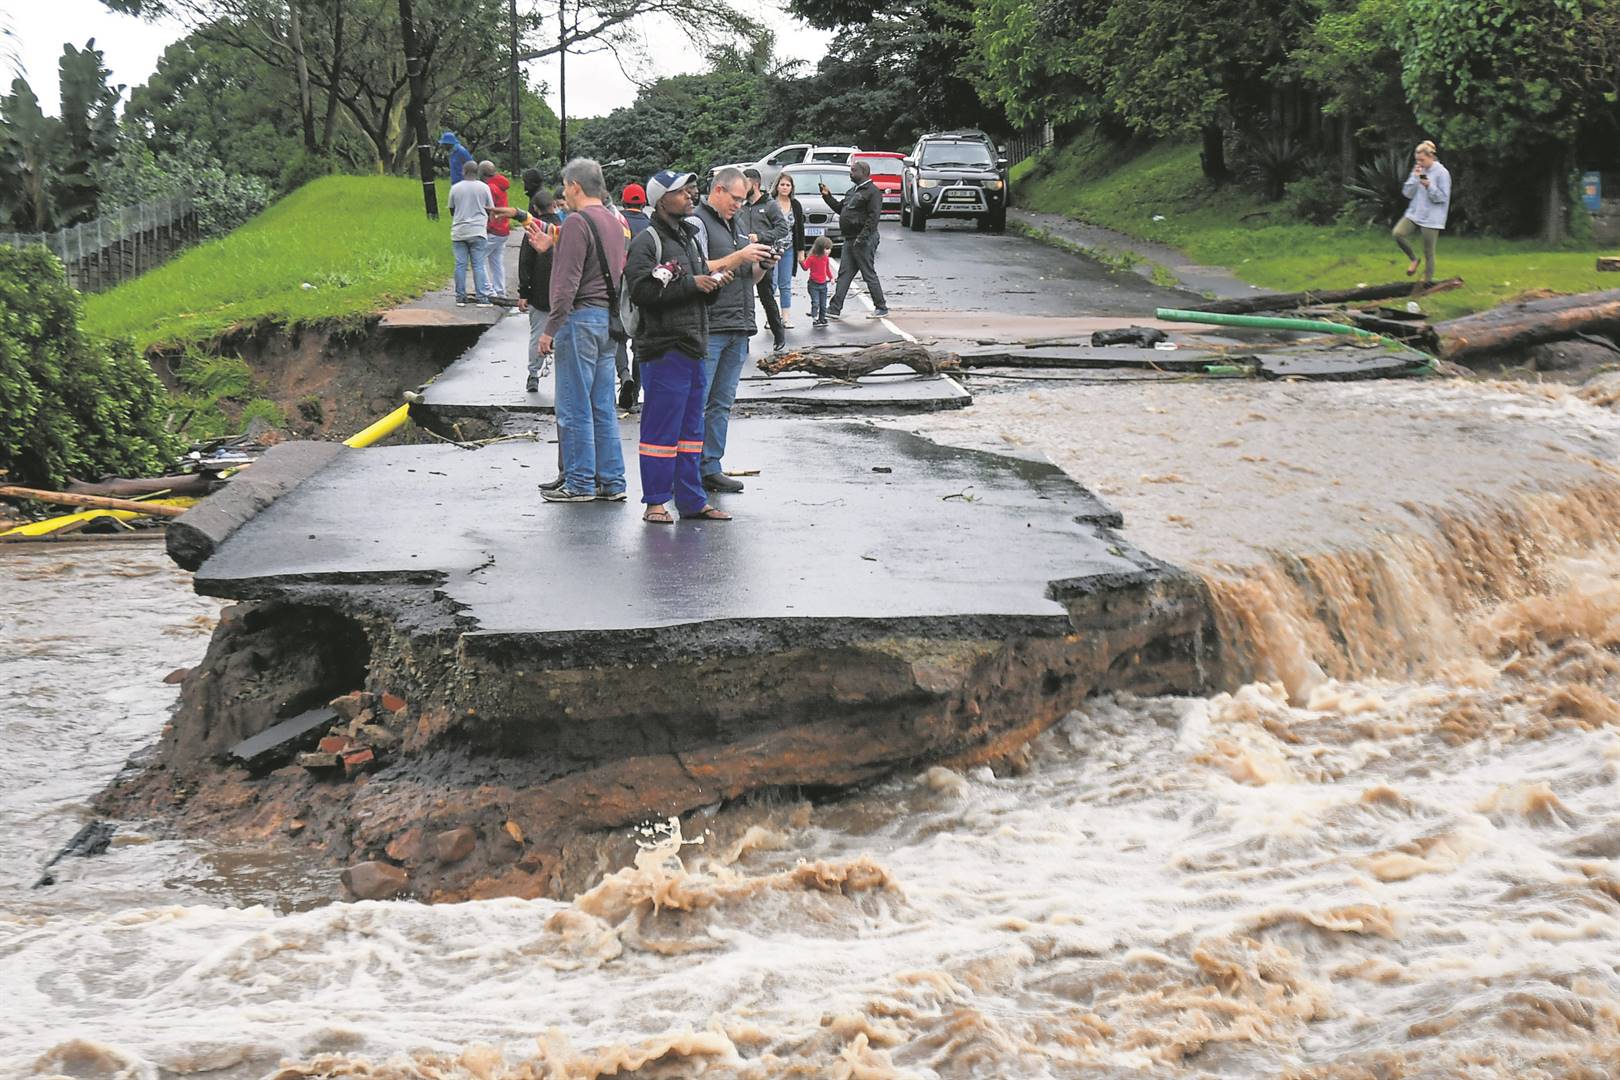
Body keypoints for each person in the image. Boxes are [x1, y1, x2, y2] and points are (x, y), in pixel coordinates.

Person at [625, 169, 759, 524]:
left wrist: (710, 285)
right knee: (661, 430)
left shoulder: (690, 238)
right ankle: (655, 501)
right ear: (660, 199)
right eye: (682, 192)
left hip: (694, 345)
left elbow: (692, 290)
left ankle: (692, 501)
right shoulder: (647, 241)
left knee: (690, 431)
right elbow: (642, 291)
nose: (690, 196)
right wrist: (692, 285)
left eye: (691, 190)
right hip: (664, 348)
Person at [537, 158, 629, 503]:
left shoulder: (577, 222)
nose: (563, 193)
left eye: (565, 186)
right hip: (609, 320)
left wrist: (550, 328)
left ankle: (579, 482)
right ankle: (612, 481)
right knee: (602, 404)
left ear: (575, 185)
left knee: (574, 404)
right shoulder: (613, 220)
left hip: (580, 320)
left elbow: (566, 284)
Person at [692, 167, 773, 494]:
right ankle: (688, 467)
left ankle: (711, 466)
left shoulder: (735, 224)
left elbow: (747, 277)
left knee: (722, 403)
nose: (740, 204)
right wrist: (740, 255)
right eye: (736, 198)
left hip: (739, 323)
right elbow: (696, 268)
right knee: (699, 401)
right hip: (711, 325)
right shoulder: (698, 222)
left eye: (744, 199)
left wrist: (762, 266)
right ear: (718, 190)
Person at [820, 160, 888, 319]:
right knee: (844, 273)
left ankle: (881, 307)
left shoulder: (873, 192)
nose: (850, 173)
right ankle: (834, 309)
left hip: (864, 239)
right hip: (850, 238)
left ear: (863, 172)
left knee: (867, 273)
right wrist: (827, 196)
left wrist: (862, 238)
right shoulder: (852, 191)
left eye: (853, 170)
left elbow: (873, 217)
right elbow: (840, 208)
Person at [739, 167, 789, 352]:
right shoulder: (741, 206)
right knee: (743, 298)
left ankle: (779, 335)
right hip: (743, 257)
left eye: (745, 184)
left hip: (763, 257)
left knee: (767, 296)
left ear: (755, 184)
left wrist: (760, 237)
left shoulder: (769, 205)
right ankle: (743, 340)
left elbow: (782, 229)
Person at [518, 188, 562, 393]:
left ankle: (533, 375)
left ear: (534, 208)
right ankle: (565, 378)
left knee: (538, 335)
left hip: (540, 293)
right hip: (564, 295)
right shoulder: (565, 227)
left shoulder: (533, 229)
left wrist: (523, 293)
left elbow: (525, 263)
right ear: (555, 204)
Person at [1394, 140, 1451, 282]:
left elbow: (1442, 198)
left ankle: (1427, 283)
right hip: (1415, 212)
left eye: (1422, 160)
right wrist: (1414, 177)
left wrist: (1429, 186)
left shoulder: (1442, 173)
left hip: (1432, 216)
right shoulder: (1419, 170)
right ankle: (1414, 259)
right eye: (1417, 160)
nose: (1419, 163)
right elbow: (1407, 193)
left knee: (1429, 252)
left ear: (1431, 157)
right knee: (1398, 233)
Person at [448, 160, 493, 306]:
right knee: (478, 265)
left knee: (460, 264)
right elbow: (490, 208)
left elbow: (451, 209)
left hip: (459, 231)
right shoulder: (484, 187)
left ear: (464, 171)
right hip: (478, 230)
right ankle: (482, 298)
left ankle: (460, 297)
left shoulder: (455, 188)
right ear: (477, 172)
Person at [771, 173, 806, 323]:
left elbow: (800, 229)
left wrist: (801, 252)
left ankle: (785, 318)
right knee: (771, 284)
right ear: (777, 186)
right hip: (771, 250)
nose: (785, 187)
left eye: (788, 185)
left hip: (789, 248)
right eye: (782, 184)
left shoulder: (796, 205)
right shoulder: (770, 203)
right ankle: (771, 317)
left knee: (785, 284)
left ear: (792, 188)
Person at [479, 160, 513, 302]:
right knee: (496, 262)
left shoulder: (490, 188)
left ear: (482, 174)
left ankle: (489, 291)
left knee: (478, 259)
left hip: (494, 229)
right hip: (504, 229)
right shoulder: (500, 183)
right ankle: (500, 291)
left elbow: (488, 209)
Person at [801, 235, 834, 327]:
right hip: (813, 284)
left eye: (829, 249)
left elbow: (827, 269)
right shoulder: (812, 258)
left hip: (823, 284)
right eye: (827, 249)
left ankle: (822, 318)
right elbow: (805, 267)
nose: (829, 251)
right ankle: (814, 317)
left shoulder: (825, 258)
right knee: (816, 302)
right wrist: (801, 261)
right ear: (820, 249)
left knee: (823, 304)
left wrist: (831, 277)